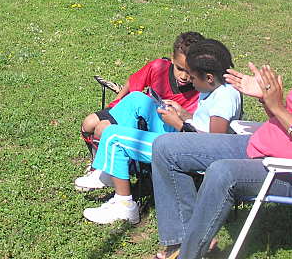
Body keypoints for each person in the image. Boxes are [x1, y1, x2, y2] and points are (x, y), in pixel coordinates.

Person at [150, 12, 292, 259]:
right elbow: (286, 118)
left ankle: (188, 255)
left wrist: (278, 108)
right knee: (166, 147)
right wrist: (266, 99)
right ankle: (181, 241)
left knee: (221, 172)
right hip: (260, 143)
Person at [82, 39, 242, 225]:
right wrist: (183, 114)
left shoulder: (224, 98)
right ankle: (109, 169)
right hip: (187, 137)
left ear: (209, 78)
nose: (189, 80)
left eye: (192, 77)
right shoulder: (216, 88)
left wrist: (179, 124)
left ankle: (124, 206)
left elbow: (214, 147)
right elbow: (204, 124)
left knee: (113, 137)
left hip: (187, 150)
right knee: (138, 99)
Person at [75, 32, 204, 191]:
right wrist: (114, 105)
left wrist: (181, 114)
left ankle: (111, 173)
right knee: (90, 123)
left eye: (189, 72)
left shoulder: (201, 89)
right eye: (180, 68)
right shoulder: (159, 67)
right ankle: (100, 168)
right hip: (140, 115)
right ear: (172, 59)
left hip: (165, 130)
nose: (184, 76)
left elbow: (197, 126)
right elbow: (133, 83)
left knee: (103, 128)